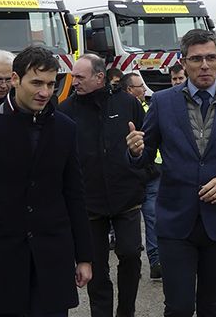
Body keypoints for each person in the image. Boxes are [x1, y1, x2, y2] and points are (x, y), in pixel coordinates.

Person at [126, 29, 216, 317]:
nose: (204, 65)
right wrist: (134, 151)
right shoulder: (163, 102)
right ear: (184, 62)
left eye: (210, 58)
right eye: (196, 59)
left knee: (212, 307)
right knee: (178, 308)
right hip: (175, 222)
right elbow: (144, 157)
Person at [0, 46, 92, 317]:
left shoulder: (65, 128)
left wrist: (84, 257)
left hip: (52, 260)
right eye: (36, 82)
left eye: (51, 84)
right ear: (15, 79)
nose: (45, 92)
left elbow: (74, 195)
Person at [60, 54, 148, 317]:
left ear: (99, 77)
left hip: (126, 198)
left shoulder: (128, 103)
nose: (73, 82)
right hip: (89, 203)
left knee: (131, 255)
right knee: (96, 268)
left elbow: (145, 144)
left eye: (79, 77)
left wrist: (141, 166)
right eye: (73, 76)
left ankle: (126, 311)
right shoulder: (66, 110)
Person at [120, 72, 164, 279]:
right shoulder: (119, 111)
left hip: (150, 172)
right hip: (129, 174)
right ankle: (131, 263)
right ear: (129, 89)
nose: (145, 90)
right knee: (128, 221)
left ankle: (155, 261)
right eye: (140, 87)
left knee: (153, 217)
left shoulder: (149, 107)